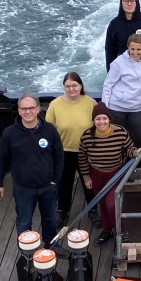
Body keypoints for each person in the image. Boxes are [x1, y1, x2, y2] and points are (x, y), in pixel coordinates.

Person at [0, 94, 67, 257]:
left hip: (48, 186)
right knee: (24, 221)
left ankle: (51, 244)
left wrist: (56, 179)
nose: (28, 112)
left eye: (31, 108)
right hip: (23, 189)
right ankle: (28, 251)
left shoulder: (49, 130)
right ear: (19, 111)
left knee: (50, 219)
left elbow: (59, 155)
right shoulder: (9, 133)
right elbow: (1, 159)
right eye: (24, 108)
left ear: (38, 109)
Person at [78, 102, 141, 246]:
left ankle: (120, 230)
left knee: (112, 204)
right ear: (93, 120)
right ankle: (107, 230)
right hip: (96, 173)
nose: (101, 122)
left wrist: (137, 152)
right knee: (102, 204)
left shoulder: (120, 132)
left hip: (115, 173)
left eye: (104, 118)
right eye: (98, 119)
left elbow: (129, 149)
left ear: (109, 119)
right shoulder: (86, 136)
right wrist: (86, 177)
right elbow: (82, 157)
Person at [45, 72, 100, 230]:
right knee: (64, 184)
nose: (71, 89)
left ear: (81, 86)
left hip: (87, 151)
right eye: (68, 86)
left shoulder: (90, 103)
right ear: (63, 87)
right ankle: (62, 211)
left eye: (74, 85)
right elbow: (49, 130)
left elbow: (99, 125)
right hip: (64, 152)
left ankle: (93, 210)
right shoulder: (55, 105)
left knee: (89, 183)